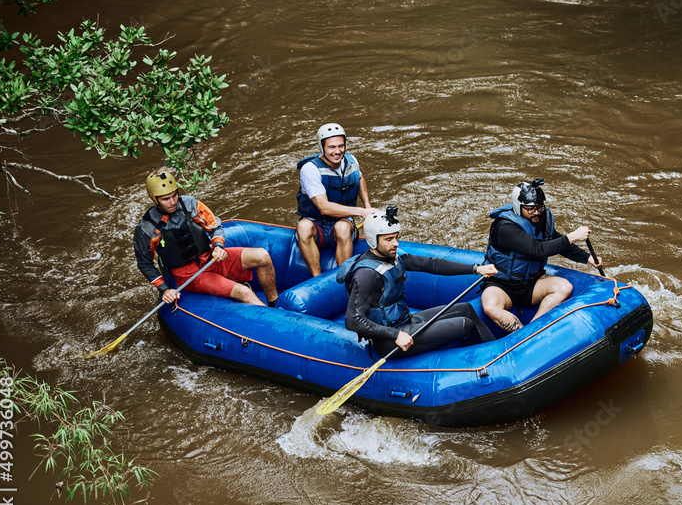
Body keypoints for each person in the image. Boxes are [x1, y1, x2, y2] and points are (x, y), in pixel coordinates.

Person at [338, 207, 499, 358]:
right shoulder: (367, 275)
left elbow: (431, 264)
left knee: (466, 309)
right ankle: (482, 361)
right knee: (465, 325)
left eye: (396, 237)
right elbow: (353, 320)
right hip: (390, 341)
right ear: (372, 241)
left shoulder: (393, 257)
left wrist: (476, 269)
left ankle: (494, 351)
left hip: (406, 322)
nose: (396, 243)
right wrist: (395, 335)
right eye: (389, 239)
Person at [134, 169, 278, 306]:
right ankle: (276, 324)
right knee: (244, 292)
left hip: (211, 258)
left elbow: (214, 226)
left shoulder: (190, 204)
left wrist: (218, 246)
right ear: (154, 198)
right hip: (189, 275)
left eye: (174, 195)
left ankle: (274, 305)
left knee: (262, 256)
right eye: (166, 199)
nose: (172, 202)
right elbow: (145, 263)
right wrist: (164, 289)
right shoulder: (147, 228)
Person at [481, 178, 603, 334]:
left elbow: (555, 240)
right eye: (531, 209)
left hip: (530, 284)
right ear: (519, 206)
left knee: (564, 287)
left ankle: (532, 331)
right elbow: (537, 249)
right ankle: (521, 335)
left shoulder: (541, 218)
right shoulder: (504, 227)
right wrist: (574, 235)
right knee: (490, 305)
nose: (537, 212)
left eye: (539, 207)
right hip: (501, 285)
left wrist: (587, 258)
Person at [296, 122, 375, 276]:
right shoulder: (310, 169)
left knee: (343, 228)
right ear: (322, 147)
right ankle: (317, 279)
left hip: (342, 222)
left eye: (341, 146)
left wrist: (367, 206)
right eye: (332, 147)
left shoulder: (351, 161)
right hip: (316, 222)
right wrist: (361, 211)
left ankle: (343, 277)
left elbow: (360, 180)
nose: (337, 151)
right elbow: (323, 207)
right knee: (303, 227)